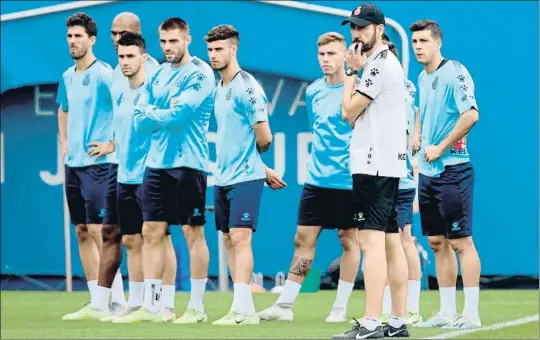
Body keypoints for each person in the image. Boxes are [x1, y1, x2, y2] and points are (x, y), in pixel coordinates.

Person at [114, 17, 214, 324]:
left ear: (187, 40)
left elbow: (181, 115)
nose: (168, 47)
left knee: (191, 233)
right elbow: (138, 120)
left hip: (189, 164)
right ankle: (157, 306)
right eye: (163, 42)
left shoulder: (200, 73)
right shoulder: (157, 76)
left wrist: (156, 112)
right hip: (155, 165)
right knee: (151, 232)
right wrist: (162, 112)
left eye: (174, 41)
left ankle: (196, 307)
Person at [257, 32, 360, 324]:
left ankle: (340, 308)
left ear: (344, 56)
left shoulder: (360, 89)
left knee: (349, 239)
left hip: (351, 181)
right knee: (303, 238)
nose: (326, 60)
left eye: (332, 54)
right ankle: (285, 305)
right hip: (317, 179)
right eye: (322, 55)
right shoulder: (313, 91)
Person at [332, 3, 409, 339]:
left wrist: (350, 72)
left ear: (380, 29)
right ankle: (397, 322)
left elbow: (348, 111)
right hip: (384, 163)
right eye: (353, 27)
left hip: (374, 165)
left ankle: (371, 323)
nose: (356, 33)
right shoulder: (379, 63)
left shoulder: (378, 65)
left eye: (363, 27)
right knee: (392, 242)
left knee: (371, 244)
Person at [98, 12, 178, 323]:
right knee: (131, 238)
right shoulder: (117, 76)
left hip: (153, 171)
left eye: (125, 36)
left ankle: (166, 304)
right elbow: (124, 124)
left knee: (159, 236)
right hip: (124, 171)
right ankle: (139, 299)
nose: (119, 41)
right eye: (114, 35)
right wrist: (113, 145)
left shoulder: (159, 78)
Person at [409, 19, 481, 329]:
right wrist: (416, 134)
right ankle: (447, 311)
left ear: (438, 43)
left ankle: (472, 313)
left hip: (454, 170)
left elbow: (471, 115)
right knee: (437, 242)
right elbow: (420, 110)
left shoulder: (456, 72)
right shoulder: (423, 78)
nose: (418, 47)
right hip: (427, 173)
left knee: (461, 241)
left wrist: (440, 147)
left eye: (424, 41)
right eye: (415, 43)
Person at [204, 24, 276, 326]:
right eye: (210, 50)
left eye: (219, 49)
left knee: (240, 237)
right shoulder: (218, 86)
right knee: (229, 241)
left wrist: (256, 165)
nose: (213, 55)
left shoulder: (247, 87)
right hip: (223, 177)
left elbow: (265, 137)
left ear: (234, 49)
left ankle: (244, 309)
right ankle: (240, 305)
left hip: (245, 176)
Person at [56, 12, 117, 321]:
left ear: (92, 40)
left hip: (100, 165)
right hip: (74, 165)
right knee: (82, 231)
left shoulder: (106, 74)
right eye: (69, 36)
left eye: (78, 36)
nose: (73, 41)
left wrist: (113, 144)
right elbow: (63, 109)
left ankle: (116, 299)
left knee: (99, 231)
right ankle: (97, 301)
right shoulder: (67, 76)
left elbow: (127, 108)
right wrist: (64, 142)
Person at [375, 35, 424, 326]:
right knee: (386, 243)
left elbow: (404, 133)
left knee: (402, 241)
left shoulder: (400, 88)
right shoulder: (405, 87)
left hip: (397, 179)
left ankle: (410, 307)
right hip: (387, 177)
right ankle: (391, 308)